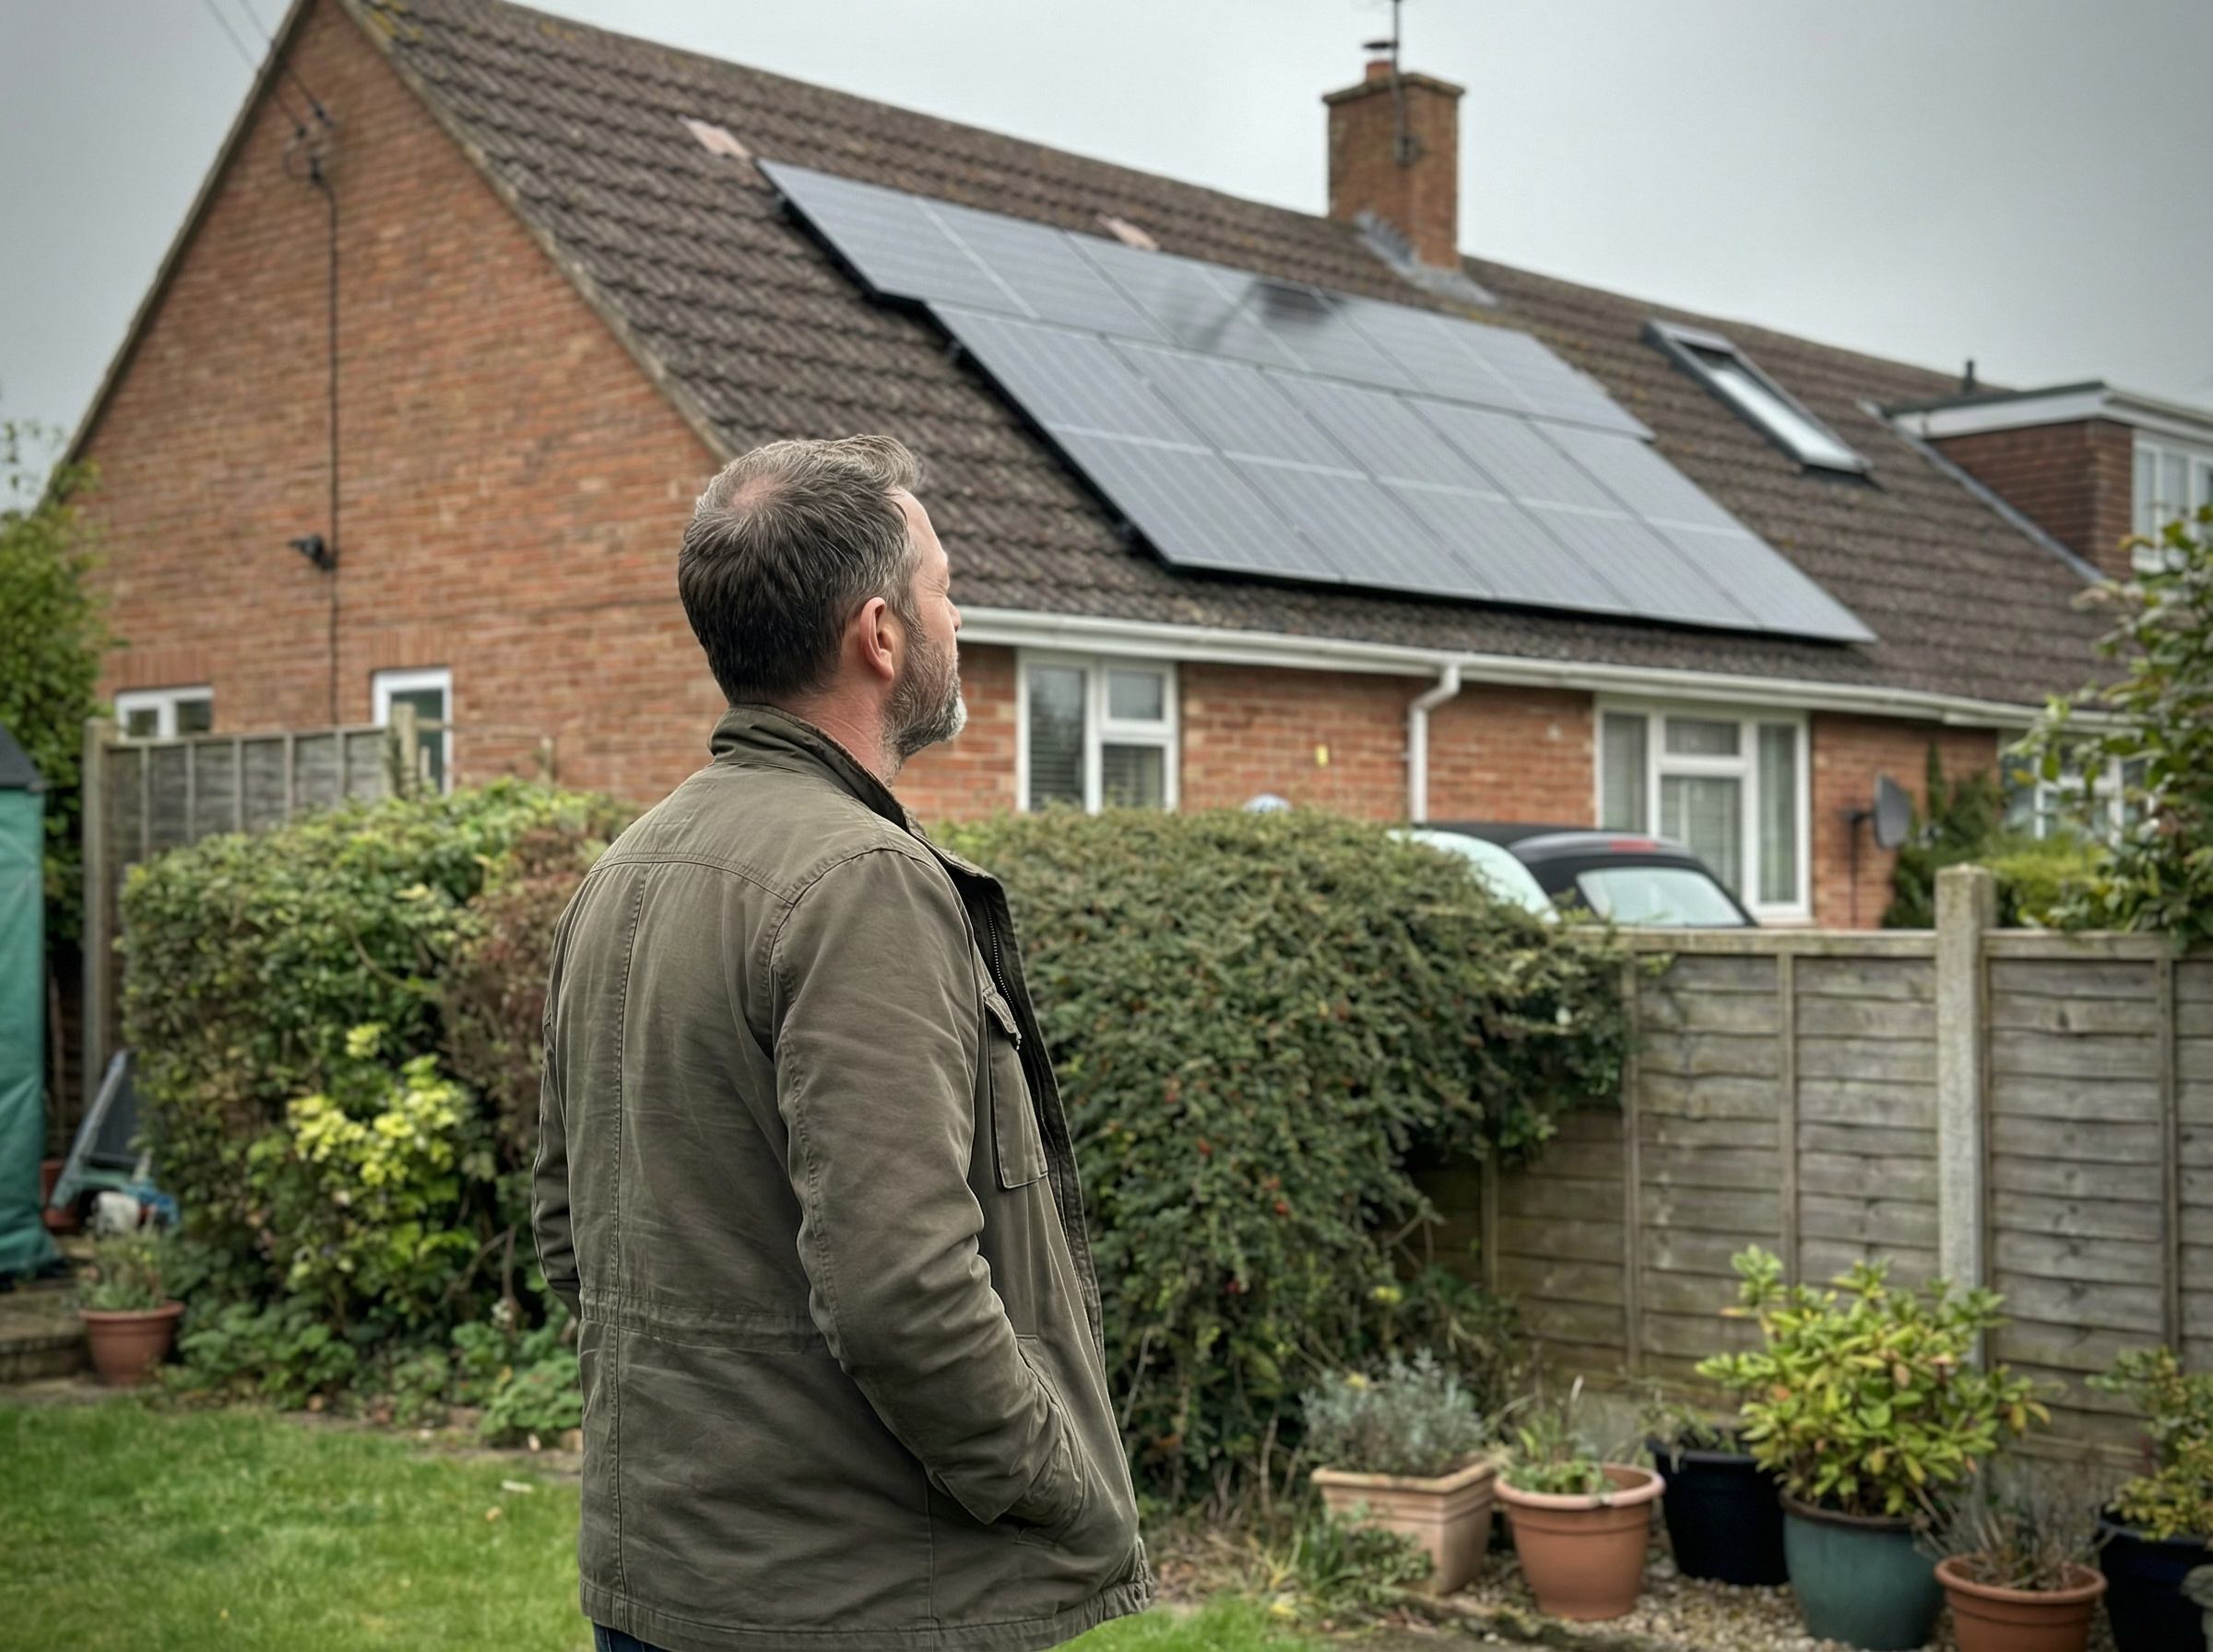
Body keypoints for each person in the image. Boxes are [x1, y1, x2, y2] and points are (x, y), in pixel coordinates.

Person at [534, 435, 1153, 1652]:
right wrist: (1053, 1478)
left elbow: (569, 1237)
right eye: (944, 587)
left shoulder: (619, 871)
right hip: (857, 1605)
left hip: (664, 1585)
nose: (957, 616)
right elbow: (901, 1294)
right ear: (881, 634)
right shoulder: (860, 879)